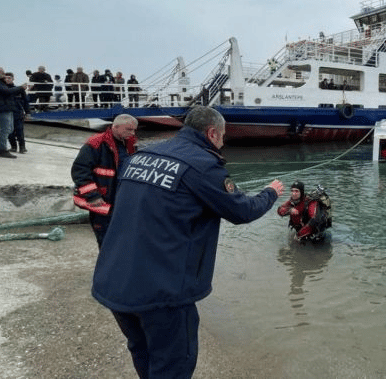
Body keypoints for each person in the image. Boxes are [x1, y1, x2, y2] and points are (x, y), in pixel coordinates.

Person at [92, 106, 283, 378]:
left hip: (113, 281)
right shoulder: (203, 166)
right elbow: (242, 211)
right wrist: (270, 192)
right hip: (161, 293)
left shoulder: (140, 156)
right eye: (223, 136)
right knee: (173, 366)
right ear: (212, 133)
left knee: (142, 351)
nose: (223, 142)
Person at [71, 114, 138, 248]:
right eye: (129, 129)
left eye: (134, 130)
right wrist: (93, 196)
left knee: (121, 239)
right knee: (106, 240)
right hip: (102, 201)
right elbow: (79, 171)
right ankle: (107, 267)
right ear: (116, 127)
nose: (132, 133)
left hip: (121, 201)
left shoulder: (130, 144)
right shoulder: (96, 144)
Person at [0, 66, 29, 158]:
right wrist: (21, 88)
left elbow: (8, 92)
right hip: (0, 109)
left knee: (9, 129)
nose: (4, 75)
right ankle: (2, 150)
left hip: (6, 108)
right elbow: (6, 91)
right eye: (2, 73)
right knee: (5, 129)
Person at [5, 72, 30, 153]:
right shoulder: (2, 90)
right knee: (10, 132)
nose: (7, 79)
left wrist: (28, 113)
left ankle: (22, 147)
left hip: (17, 113)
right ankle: (13, 147)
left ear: (13, 79)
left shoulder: (20, 90)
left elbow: (26, 102)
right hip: (7, 113)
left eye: (9, 78)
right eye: (6, 78)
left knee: (19, 131)